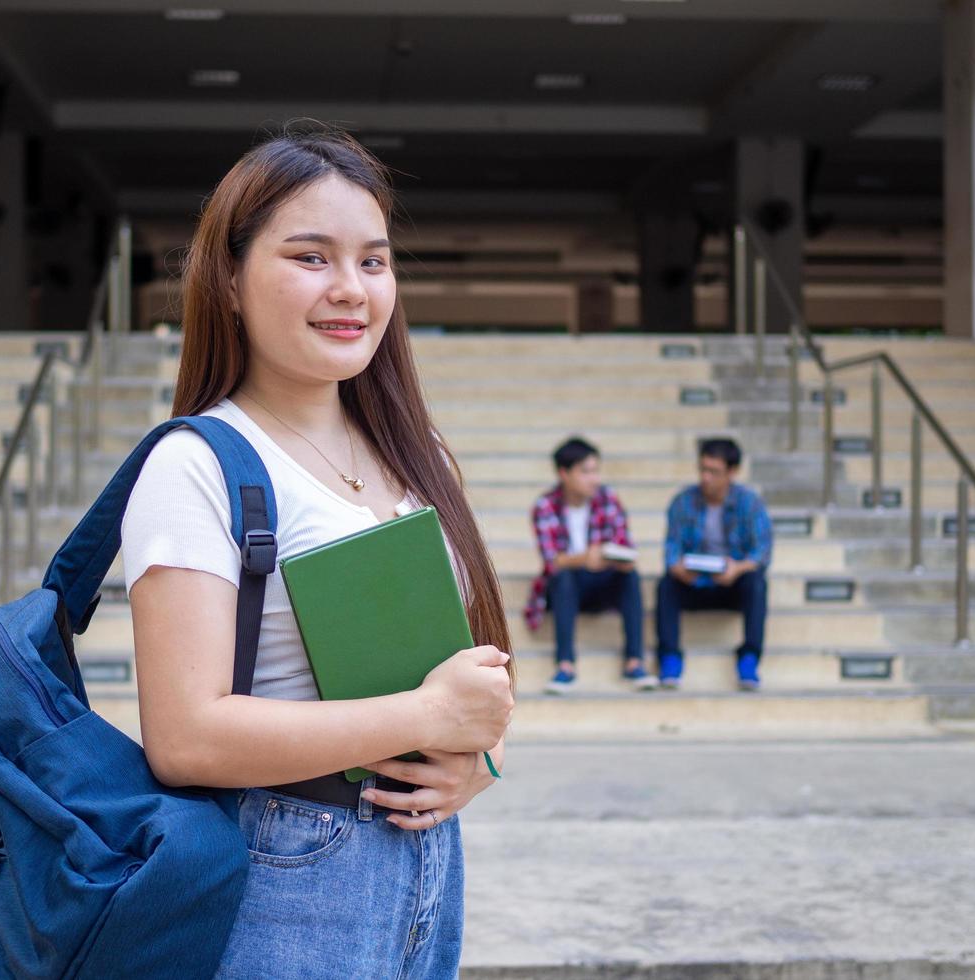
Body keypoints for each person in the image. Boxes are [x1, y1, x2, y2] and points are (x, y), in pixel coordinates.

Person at [121, 124, 514, 978]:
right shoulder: (196, 465)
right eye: (311, 258)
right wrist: (424, 719)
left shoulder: (418, 457)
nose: (351, 290)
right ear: (227, 278)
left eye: (373, 262)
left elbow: (457, 668)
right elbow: (184, 737)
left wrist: (473, 760)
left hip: (425, 863)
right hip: (284, 868)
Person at [525, 437, 652, 694]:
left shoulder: (607, 499)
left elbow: (623, 542)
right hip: (565, 587)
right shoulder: (545, 505)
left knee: (631, 577)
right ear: (564, 473)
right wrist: (584, 558)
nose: (594, 479)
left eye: (596, 470)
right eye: (586, 472)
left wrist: (620, 560)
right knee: (563, 578)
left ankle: (635, 661)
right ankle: (565, 665)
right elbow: (551, 561)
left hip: (603, 579)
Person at [655, 438, 773, 691]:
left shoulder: (749, 503)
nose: (706, 478)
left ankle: (749, 658)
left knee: (756, 583)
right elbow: (671, 548)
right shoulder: (683, 501)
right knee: (666, 585)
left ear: (732, 472)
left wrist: (738, 568)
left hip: (732, 584)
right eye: (703, 470)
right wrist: (678, 568)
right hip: (694, 582)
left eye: (714, 472)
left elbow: (762, 552)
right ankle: (670, 657)